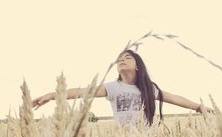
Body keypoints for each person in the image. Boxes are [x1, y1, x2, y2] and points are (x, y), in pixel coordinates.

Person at [32, 50, 212, 127]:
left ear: (138, 66)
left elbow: (174, 98)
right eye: (120, 59)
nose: (122, 60)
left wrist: (198, 107)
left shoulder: (149, 90)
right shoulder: (113, 88)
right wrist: (53, 95)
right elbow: (82, 92)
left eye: (127, 58)